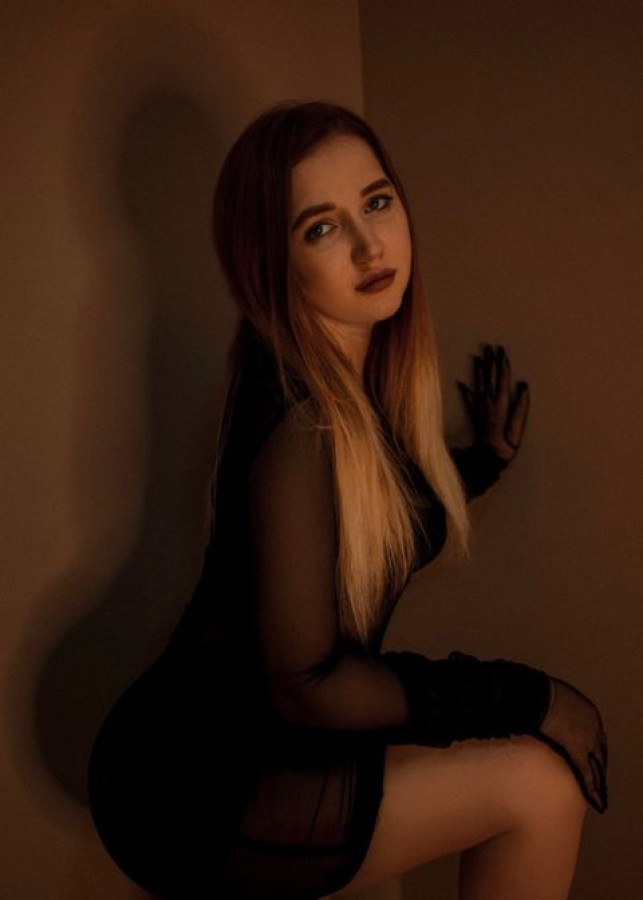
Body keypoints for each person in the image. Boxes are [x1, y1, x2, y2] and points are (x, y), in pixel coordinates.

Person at [87, 100, 608, 900]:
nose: (370, 245)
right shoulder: (301, 417)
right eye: (321, 228)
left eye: (376, 202)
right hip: (195, 785)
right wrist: (530, 697)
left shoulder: (345, 386)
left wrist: (478, 464)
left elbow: (369, 522)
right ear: (273, 261)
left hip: (235, 741)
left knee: (533, 781)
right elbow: (310, 681)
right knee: (541, 787)